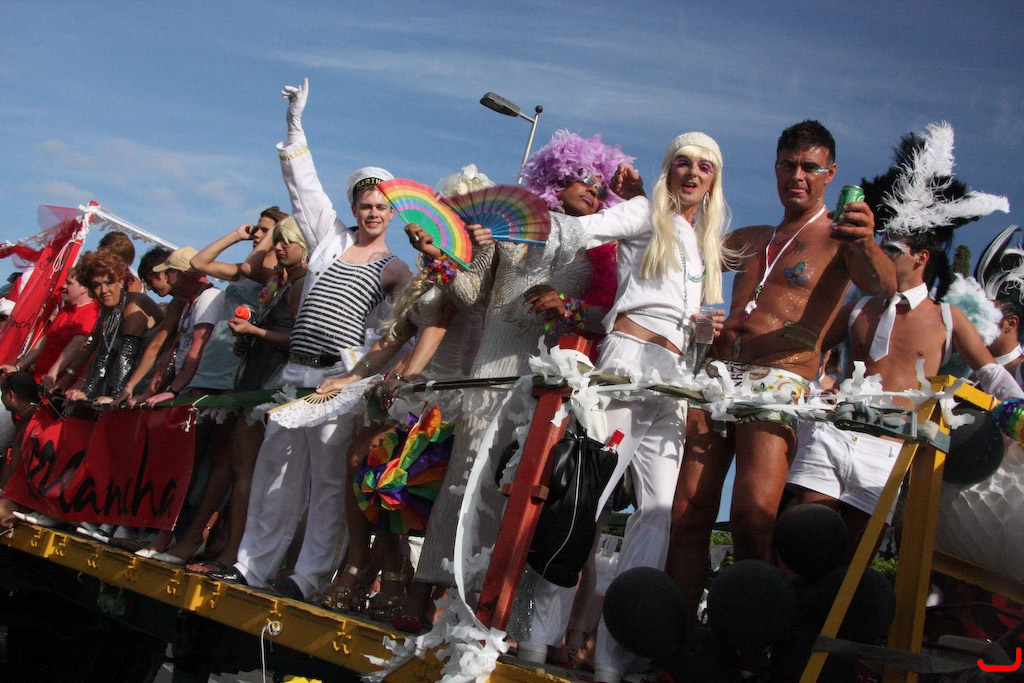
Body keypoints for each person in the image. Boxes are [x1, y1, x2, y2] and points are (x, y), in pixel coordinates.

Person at [665, 121, 897, 628]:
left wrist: (866, 240)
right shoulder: (750, 239)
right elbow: (678, 245)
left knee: (754, 518)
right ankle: (677, 642)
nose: (798, 176)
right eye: (788, 165)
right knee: (686, 515)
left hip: (780, 377)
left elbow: (882, 284)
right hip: (717, 376)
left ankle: (755, 641)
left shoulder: (841, 238)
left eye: (810, 167)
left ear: (830, 174)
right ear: (775, 169)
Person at [208, 78, 410, 603]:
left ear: (393, 213)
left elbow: (397, 334)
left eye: (381, 206)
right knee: (273, 475)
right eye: (365, 205)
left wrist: (364, 380)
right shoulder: (329, 240)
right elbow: (304, 186)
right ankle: (251, 566)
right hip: (294, 372)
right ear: (354, 207)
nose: (372, 213)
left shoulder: (396, 268)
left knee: (327, 484)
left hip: (336, 381)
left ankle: (308, 577)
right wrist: (295, 123)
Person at [788, 123, 1021, 545]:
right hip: (835, 432)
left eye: (893, 249)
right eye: (882, 245)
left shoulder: (947, 318)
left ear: (921, 258)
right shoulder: (859, 307)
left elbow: (991, 374)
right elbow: (809, 348)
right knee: (803, 537)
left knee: (853, 554)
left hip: (891, 448)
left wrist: (1020, 412)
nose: (883, 254)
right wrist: (816, 387)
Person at [182, 216, 308, 572]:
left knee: (249, 475)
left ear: (305, 246)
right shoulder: (279, 281)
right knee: (239, 470)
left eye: (286, 240)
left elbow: (301, 342)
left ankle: (235, 555)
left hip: (271, 386)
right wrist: (248, 340)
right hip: (252, 378)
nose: (278, 246)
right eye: (276, 239)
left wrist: (256, 332)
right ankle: (227, 550)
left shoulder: (302, 285)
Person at [53, 251, 164, 404]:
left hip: (147, 386)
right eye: (96, 285)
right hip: (124, 383)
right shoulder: (108, 308)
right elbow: (99, 350)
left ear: (120, 281)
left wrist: (115, 397)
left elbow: (127, 356)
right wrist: (84, 389)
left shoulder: (133, 305)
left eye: (109, 282)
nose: (104, 290)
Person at [2, 267, 99, 388]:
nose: (63, 286)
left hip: (55, 386)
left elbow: (76, 345)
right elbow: (46, 339)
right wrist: (19, 367)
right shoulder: (67, 309)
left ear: (83, 288)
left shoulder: (90, 313)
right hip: (39, 379)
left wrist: (53, 373)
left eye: (69, 283)